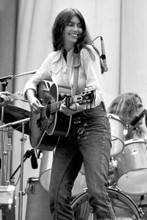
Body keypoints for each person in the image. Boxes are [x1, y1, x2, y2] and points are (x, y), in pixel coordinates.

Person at [23, 8, 115, 219]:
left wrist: (77, 106)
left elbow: (96, 94)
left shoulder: (87, 52)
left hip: (93, 124)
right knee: (56, 197)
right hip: (67, 130)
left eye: (79, 25)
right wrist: (32, 98)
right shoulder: (53, 58)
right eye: (71, 24)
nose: (76, 29)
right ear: (60, 29)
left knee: (97, 194)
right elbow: (32, 82)